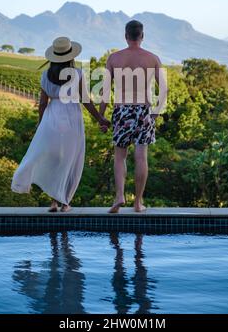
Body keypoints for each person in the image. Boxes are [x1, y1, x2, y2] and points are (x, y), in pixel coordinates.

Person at [11, 36, 110, 212]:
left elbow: (42, 103)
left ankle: (53, 203)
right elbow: (86, 101)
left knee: (54, 159)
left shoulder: (45, 75)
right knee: (71, 160)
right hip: (72, 118)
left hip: (52, 118)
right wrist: (99, 118)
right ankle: (65, 203)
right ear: (71, 56)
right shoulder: (77, 74)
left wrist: (41, 124)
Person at [100, 20, 167, 213]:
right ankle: (138, 202)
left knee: (120, 157)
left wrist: (101, 117)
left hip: (121, 110)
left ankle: (119, 195)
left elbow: (105, 91)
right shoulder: (152, 58)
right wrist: (155, 112)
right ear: (142, 36)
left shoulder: (114, 58)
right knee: (141, 157)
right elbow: (164, 89)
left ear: (126, 36)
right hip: (143, 110)